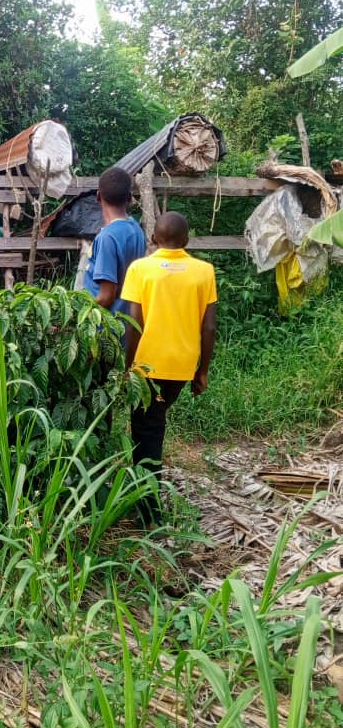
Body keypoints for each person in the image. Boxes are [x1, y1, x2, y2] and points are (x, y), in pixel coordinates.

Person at [121, 211, 217, 525]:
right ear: (186, 241)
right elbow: (209, 327)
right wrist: (202, 371)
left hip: (146, 365)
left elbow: (134, 322)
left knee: (147, 430)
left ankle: (148, 511)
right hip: (181, 367)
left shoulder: (141, 269)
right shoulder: (204, 271)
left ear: (153, 239)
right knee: (152, 424)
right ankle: (141, 494)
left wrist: (126, 367)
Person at [83, 167, 146, 316]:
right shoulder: (135, 229)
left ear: (98, 196)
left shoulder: (107, 238)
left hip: (106, 330)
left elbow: (106, 297)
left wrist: (78, 316)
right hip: (128, 321)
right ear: (130, 197)